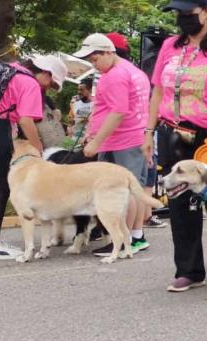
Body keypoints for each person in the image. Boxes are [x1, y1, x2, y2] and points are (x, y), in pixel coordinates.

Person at [148, 0, 207, 292]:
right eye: (178, 14)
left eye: (187, 13)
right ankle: (189, 270)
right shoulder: (169, 48)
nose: (182, 19)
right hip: (172, 134)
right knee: (179, 202)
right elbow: (158, 91)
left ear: (205, 12)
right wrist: (147, 131)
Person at [0, 54, 66, 260]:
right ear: (45, 73)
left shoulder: (6, 71)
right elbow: (27, 121)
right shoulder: (29, 82)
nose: (49, 88)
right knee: (0, 189)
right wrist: (37, 148)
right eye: (52, 83)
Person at [74, 33, 153, 255]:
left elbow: (118, 111)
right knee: (132, 188)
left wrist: (96, 141)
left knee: (121, 192)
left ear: (109, 52)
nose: (94, 65)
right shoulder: (134, 71)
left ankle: (124, 239)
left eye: (95, 59)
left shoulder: (115, 75)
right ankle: (135, 236)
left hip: (120, 141)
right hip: (134, 137)